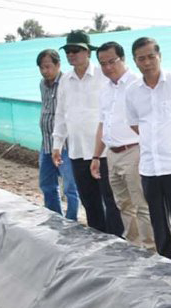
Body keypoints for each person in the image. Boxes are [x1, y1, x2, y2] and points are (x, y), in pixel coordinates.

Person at [125, 37, 171, 266]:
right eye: (141, 58)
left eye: (150, 56)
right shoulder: (133, 91)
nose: (146, 62)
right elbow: (135, 123)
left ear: (159, 56)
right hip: (149, 166)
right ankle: (166, 261)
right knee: (157, 218)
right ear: (135, 61)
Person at [52, 30, 123, 236]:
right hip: (77, 150)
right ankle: (98, 239)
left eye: (76, 50)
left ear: (88, 52)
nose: (71, 54)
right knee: (89, 200)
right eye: (68, 51)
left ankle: (116, 240)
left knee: (111, 200)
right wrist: (57, 144)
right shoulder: (65, 80)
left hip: (103, 151)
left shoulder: (103, 75)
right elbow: (61, 113)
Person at [91, 41, 155, 249]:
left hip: (133, 150)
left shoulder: (137, 84)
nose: (108, 67)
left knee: (141, 204)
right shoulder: (106, 89)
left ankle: (150, 249)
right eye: (103, 63)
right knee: (123, 204)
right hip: (112, 153)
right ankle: (133, 244)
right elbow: (103, 124)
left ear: (123, 59)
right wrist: (95, 156)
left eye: (112, 61)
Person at [36, 49, 79, 220]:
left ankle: (71, 219)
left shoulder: (67, 82)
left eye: (48, 66)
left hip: (65, 144)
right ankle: (54, 217)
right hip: (46, 142)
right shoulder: (42, 84)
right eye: (41, 68)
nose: (45, 71)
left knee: (70, 186)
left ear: (58, 65)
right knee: (47, 183)